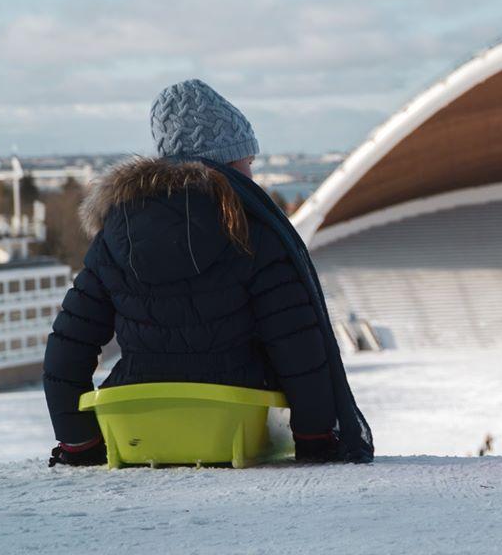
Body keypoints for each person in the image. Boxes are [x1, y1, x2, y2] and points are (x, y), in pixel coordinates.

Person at [44, 79, 373, 466]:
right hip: (235, 422)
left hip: (139, 426)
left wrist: (79, 442)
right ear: (227, 164)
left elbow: (68, 347)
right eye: (247, 163)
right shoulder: (251, 232)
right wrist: (315, 437)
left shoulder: (116, 234)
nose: (251, 175)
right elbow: (296, 343)